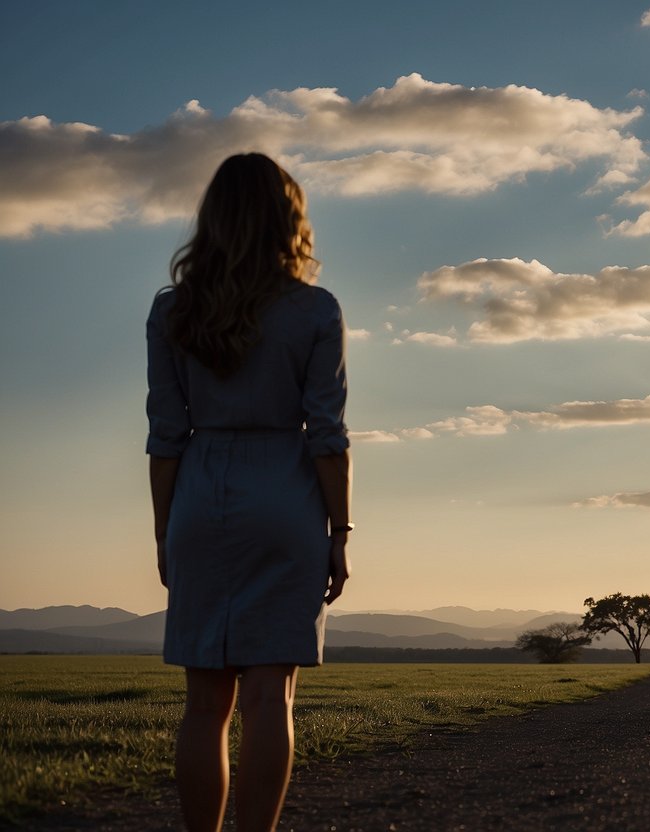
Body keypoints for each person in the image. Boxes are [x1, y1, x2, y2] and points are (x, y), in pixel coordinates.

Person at [147, 153, 352, 832]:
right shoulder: (315, 310)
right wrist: (339, 532)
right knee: (272, 697)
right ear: (285, 218)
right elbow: (326, 435)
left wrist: (163, 531)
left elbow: (165, 434)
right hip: (286, 497)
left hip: (199, 495)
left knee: (204, 705)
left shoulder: (174, 311)